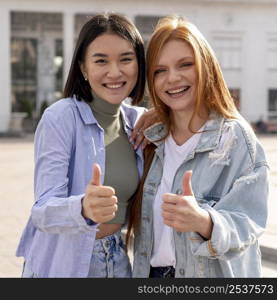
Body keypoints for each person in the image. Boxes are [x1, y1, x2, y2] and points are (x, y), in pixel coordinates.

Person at [127, 15, 269, 278]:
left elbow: (251, 221)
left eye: (185, 65)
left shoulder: (235, 138)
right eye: (160, 70)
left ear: (205, 66)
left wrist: (205, 222)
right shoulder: (150, 140)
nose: (172, 78)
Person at [16, 13, 147, 278]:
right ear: (84, 68)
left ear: (139, 64)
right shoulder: (60, 117)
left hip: (118, 259)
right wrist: (83, 208)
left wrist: (161, 115)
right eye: (101, 61)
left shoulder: (138, 122)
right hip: (64, 264)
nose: (115, 72)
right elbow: (43, 211)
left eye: (126, 59)